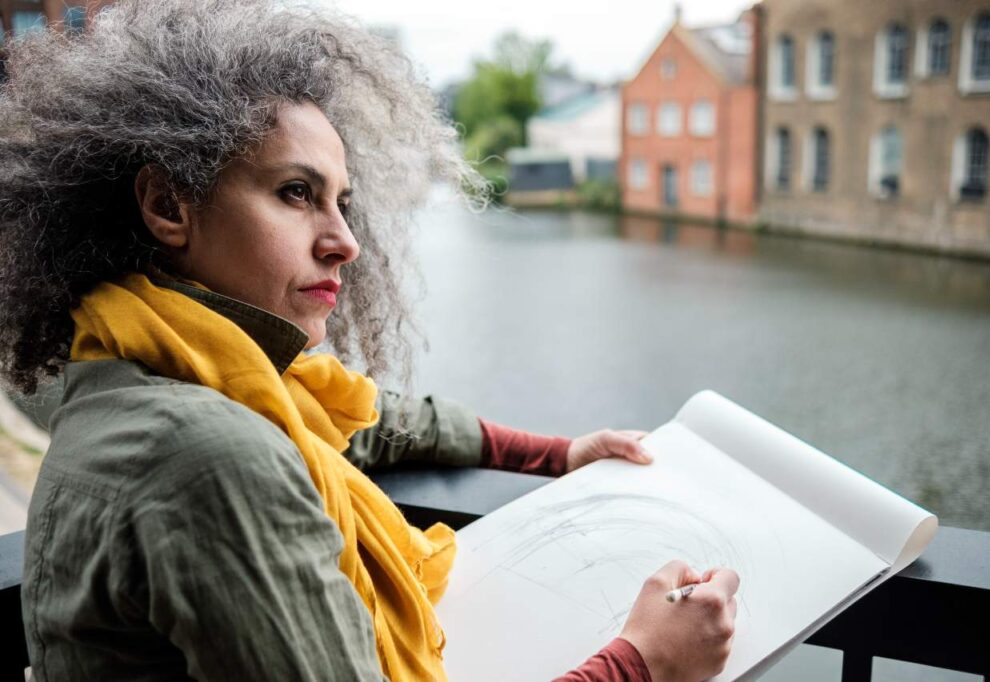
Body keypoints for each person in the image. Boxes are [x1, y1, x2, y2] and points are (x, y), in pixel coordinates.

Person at [0, 1, 738, 680]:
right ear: (169, 204)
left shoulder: (142, 371)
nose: (346, 242)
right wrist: (645, 662)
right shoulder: (211, 455)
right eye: (296, 193)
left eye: (342, 203)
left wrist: (559, 455)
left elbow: (369, 424)